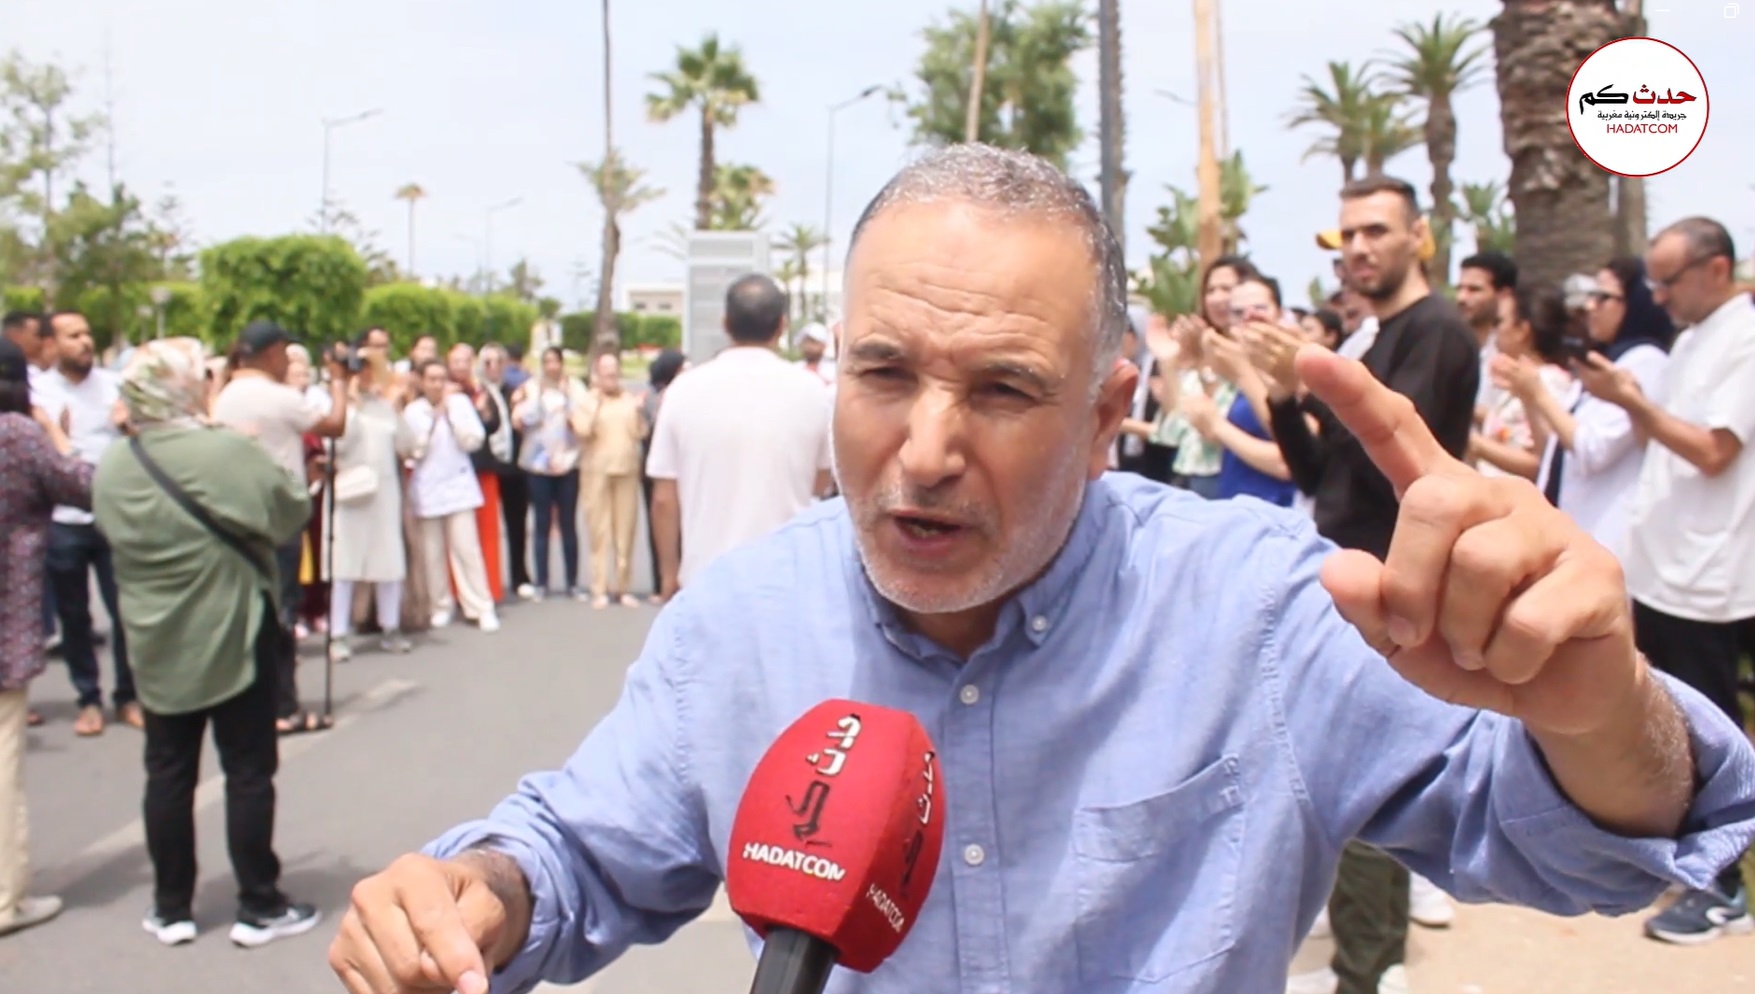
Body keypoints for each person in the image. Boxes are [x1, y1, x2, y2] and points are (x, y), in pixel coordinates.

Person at [329, 145, 1755, 994]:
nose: (924, 451)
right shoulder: (741, 624)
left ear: (1106, 410)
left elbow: (1591, 843)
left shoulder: (1264, 608)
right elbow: (580, 849)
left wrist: (1596, 708)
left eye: (1003, 389)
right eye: (883, 372)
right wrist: (473, 896)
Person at [93, 338, 321, 949]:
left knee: (168, 772)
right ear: (185, 389)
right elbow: (290, 510)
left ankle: (171, 907)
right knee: (247, 770)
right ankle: (258, 903)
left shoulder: (115, 464)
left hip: (155, 639)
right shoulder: (226, 451)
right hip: (234, 629)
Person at [1575, 217, 1755, 942]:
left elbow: (1713, 451)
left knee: (1713, 735)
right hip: (1665, 568)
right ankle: (1694, 866)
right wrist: (1628, 397)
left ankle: (1726, 889)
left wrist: (1631, 403)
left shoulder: (1744, 340)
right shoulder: (1692, 339)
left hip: (1707, 579)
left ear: (1716, 270)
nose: (1658, 295)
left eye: (1668, 280)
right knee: (1673, 729)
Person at [645, 274, 832, 598]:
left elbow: (664, 499)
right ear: (782, 326)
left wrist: (668, 574)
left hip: (706, 581)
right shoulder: (813, 392)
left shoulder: (683, 391)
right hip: (786, 581)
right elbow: (820, 481)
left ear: (725, 323)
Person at [211, 321, 351, 736]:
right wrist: (339, 381)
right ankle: (283, 706)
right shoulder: (278, 397)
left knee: (249, 615)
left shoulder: (226, 395)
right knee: (282, 614)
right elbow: (335, 425)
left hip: (236, 518)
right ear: (273, 353)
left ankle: (248, 702)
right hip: (277, 518)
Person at [0, 339, 91, 939]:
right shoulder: (18, 435)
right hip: (7, 623)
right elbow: (84, 485)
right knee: (3, 767)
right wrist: (59, 435)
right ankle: (6, 897)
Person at [1521, 258, 1674, 559]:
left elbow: (1593, 449)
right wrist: (1529, 397)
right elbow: (1554, 449)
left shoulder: (1646, 361)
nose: (1591, 306)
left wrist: (1539, 394)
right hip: (1570, 530)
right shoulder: (1604, 361)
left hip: (1605, 536)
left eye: (1604, 297)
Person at [36, 311, 136, 737]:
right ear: (52, 344)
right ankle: (88, 699)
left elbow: (138, 441)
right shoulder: (38, 392)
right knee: (75, 617)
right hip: (63, 519)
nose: (84, 341)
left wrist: (128, 424)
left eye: (87, 333)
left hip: (111, 513)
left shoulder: (113, 386)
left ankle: (128, 696)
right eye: (73, 335)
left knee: (125, 611)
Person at [322, 342, 416, 662]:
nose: (363, 375)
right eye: (357, 369)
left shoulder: (384, 408)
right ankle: (338, 633)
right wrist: (349, 403)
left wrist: (397, 407)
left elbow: (408, 445)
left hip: (384, 493)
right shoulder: (339, 406)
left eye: (367, 369)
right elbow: (338, 444)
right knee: (344, 565)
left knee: (388, 561)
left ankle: (391, 627)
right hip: (351, 492)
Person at [403, 359, 498, 632]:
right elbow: (413, 451)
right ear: (422, 382)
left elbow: (474, 440)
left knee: (466, 550)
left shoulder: (460, 404)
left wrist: (452, 418)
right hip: (428, 489)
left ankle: (480, 606)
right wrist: (433, 423)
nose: (437, 385)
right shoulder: (413, 412)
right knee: (432, 553)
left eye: (441, 379)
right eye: (431, 379)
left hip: (459, 486)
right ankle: (440, 605)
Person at [1469, 285, 1574, 480]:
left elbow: (1539, 462)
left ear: (1523, 331)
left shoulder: (1549, 383)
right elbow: (1508, 429)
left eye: (1499, 322)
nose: (1494, 331)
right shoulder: (1525, 379)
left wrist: (1474, 443)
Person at [511, 347, 590, 599]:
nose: (552, 366)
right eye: (547, 362)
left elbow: (583, 418)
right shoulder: (530, 387)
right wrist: (538, 398)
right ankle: (541, 582)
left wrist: (566, 399)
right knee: (541, 523)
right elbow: (523, 420)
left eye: (556, 361)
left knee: (568, 523)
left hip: (568, 462)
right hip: (538, 464)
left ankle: (572, 582)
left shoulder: (575, 387)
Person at [579, 351, 647, 608]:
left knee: (625, 530)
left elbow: (640, 432)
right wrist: (596, 405)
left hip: (626, 470)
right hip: (596, 472)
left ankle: (623, 586)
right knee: (599, 531)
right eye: (606, 371)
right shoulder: (588, 400)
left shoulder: (629, 399)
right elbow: (582, 431)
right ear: (597, 374)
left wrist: (638, 411)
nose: (611, 376)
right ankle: (599, 587)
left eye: (614, 371)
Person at [640, 349, 688, 601]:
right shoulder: (652, 396)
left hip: (683, 466)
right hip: (654, 464)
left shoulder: (687, 393)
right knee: (659, 524)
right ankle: (660, 582)